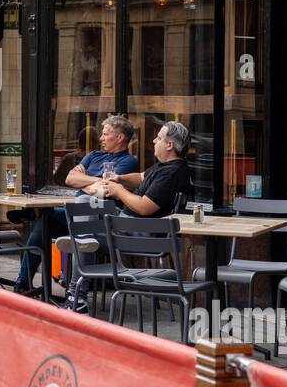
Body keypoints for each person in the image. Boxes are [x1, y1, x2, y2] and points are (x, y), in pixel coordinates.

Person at [67, 120, 193, 313]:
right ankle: (77, 290)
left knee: (84, 222)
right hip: (129, 225)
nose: (153, 140)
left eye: (158, 138)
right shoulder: (164, 167)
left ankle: (76, 293)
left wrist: (118, 190)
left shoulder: (173, 172)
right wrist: (120, 178)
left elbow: (144, 207)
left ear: (169, 145)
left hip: (141, 235)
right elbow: (142, 176)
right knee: (85, 205)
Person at [15, 115, 140, 293]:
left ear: (119, 138)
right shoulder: (94, 155)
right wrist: (93, 183)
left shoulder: (128, 162)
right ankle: (23, 281)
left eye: (105, 134)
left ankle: (76, 291)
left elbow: (104, 190)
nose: (101, 138)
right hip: (76, 215)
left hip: (100, 220)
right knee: (45, 221)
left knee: (50, 219)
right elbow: (70, 178)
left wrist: (85, 182)